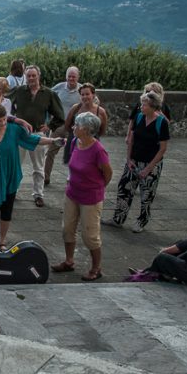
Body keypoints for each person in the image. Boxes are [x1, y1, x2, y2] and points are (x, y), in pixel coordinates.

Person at [0, 104, 63, 251]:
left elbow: (33, 139)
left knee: (7, 210)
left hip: (10, 175)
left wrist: (53, 141)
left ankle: (2, 240)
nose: (3, 123)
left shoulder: (14, 129)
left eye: (4, 119)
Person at [53, 112, 112, 281]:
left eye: (76, 125)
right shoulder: (75, 142)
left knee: (90, 235)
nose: (73, 127)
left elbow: (107, 174)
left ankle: (96, 268)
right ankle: (69, 261)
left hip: (90, 198)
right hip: (72, 193)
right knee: (67, 229)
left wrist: (97, 187)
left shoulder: (98, 150)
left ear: (86, 129)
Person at [110, 90, 169, 233]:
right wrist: (129, 159)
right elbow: (132, 139)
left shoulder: (161, 122)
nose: (141, 107)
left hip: (151, 164)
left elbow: (162, 149)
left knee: (146, 195)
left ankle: (142, 221)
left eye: (144, 104)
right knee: (124, 188)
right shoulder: (138, 117)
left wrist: (148, 168)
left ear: (153, 106)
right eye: (141, 104)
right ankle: (118, 219)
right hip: (134, 161)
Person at [8, 65, 65, 207]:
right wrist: (13, 120)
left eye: (34, 75)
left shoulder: (49, 93)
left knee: (39, 167)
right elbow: (6, 104)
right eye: (28, 76)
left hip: (38, 134)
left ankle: (38, 194)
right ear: (25, 77)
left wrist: (49, 126)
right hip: (20, 133)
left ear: (39, 76)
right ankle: (12, 191)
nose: (31, 78)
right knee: (15, 165)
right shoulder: (19, 91)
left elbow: (60, 115)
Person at [45, 66, 81, 183]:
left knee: (74, 153)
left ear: (78, 77)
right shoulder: (58, 88)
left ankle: (72, 176)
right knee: (50, 151)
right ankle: (45, 177)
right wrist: (49, 120)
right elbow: (46, 99)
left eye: (73, 77)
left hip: (75, 127)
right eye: (69, 76)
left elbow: (94, 100)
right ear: (66, 77)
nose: (71, 79)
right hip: (59, 125)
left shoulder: (82, 90)